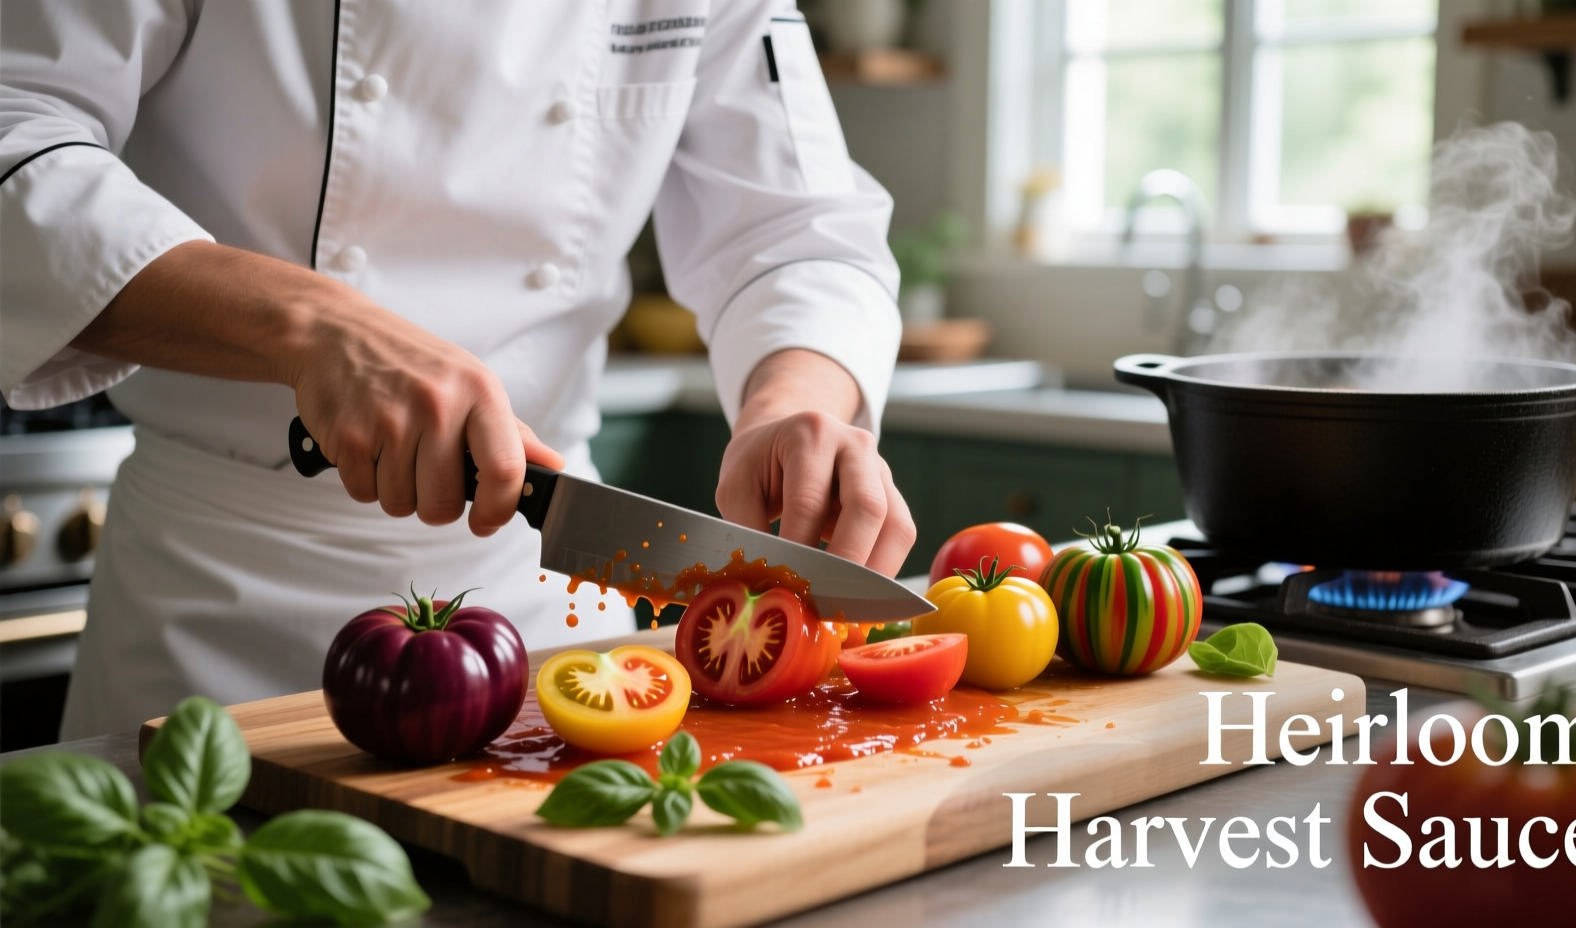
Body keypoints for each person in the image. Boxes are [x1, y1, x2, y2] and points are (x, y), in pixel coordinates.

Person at [0, 1, 915, 739]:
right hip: (223, 614)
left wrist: (793, 399)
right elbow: (16, 133)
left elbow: (797, 231)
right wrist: (316, 323)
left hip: (551, 615)